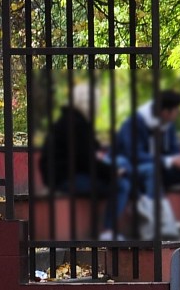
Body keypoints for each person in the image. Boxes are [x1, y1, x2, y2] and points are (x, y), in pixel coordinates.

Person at [39, 82, 131, 240]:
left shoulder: (73, 121)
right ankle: (108, 231)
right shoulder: (75, 125)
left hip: (63, 174)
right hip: (65, 177)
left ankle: (138, 198)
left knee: (122, 164)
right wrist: (112, 173)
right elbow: (85, 161)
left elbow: (88, 150)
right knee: (121, 184)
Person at [116, 89, 180, 237]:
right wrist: (168, 160)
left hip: (160, 167)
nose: (178, 113)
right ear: (165, 112)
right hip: (135, 168)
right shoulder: (136, 122)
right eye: (176, 110)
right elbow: (134, 155)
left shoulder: (168, 124)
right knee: (152, 169)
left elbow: (174, 150)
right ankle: (157, 223)